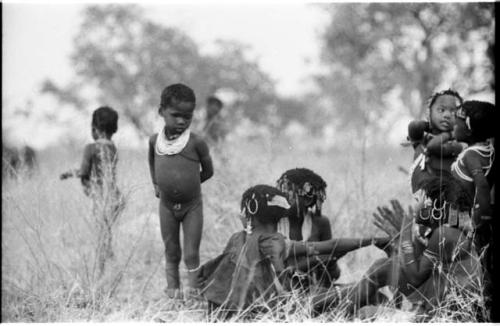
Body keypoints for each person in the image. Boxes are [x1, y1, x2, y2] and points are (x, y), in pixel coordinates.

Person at [195, 184, 390, 320]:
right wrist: (374, 241)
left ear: (247, 214)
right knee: (363, 285)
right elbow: (330, 245)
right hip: (266, 313)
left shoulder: (237, 238)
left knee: (336, 294)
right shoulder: (274, 241)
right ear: (280, 218)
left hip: (232, 313)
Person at [312, 173, 483, 321]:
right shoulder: (447, 231)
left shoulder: (445, 234)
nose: (416, 205)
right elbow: (417, 269)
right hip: (440, 304)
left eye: (419, 199)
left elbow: (415, 277)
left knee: (381, 274)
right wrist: (401, 242)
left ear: (435, 207)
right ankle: (328, 312)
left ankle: (333, 316)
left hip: (445, 314)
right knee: (381, 271)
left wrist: (405, 234)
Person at [148, 83, 214, 299]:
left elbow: (209, 171)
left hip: (192, 206)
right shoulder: (154, 141)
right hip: (166, 206)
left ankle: (194, 294)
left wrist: (189, 187)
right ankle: (173, 294)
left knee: (191, 253)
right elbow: (152, 162)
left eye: (187, 116)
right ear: (161, 111)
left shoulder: (196, 142)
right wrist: (157, 185)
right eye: (175, 115)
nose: (181, 121)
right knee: (171, 252)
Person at [60, 106, 124, 276]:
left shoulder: (91, 148)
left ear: (94, 129)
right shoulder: (113, 148)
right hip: (116, 198)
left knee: (102, 237)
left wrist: (68, 173)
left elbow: (83, 171)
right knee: (106, 234)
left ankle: (103, 273)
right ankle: (111, 269)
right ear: (113, 129)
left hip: (102, 199)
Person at [451, 100, 495, 315]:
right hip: (472, 219)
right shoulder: (488, 150)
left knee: (480, 266)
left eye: (458, 121)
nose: (453, 124)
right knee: (484, 265)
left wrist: (479, 219)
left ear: (469, 126)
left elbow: (482, 184)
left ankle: (480, 310)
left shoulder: (470, 155)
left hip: (471, 221)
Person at [276, 168, 339, 288]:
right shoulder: (272, 222)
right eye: (282, 193)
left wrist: (331, 262)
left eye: (289, 194)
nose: (284, 199)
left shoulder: (320, 223)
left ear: (308, 199)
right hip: (278, 292)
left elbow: (333, 274)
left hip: (313, 292)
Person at [407, 89, 465, 194]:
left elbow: (434, 147)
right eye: (441, 110)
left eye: (453, 112)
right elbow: (414, 126)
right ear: (429, 112)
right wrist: (429, 124)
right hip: (423, 198)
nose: (447, 115)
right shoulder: (422, 138)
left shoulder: (458, 144)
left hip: (446, 199)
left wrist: (449, 134)